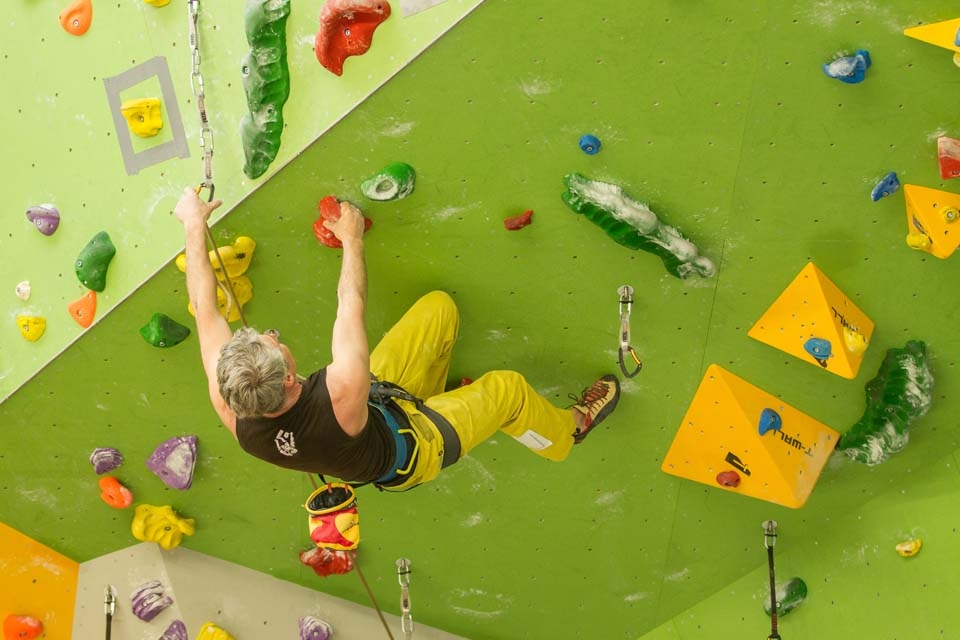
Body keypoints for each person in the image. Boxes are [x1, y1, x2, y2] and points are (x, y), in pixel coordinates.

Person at [174, 187, 621, 491]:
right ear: (290, 380)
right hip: (417, 449)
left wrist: (194, 225)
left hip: (379, 405)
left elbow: (205, 306)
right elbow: (350, 302)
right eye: (274, 342)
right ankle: (567, 433)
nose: (273, 334)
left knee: (439, 309)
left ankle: (436, 397)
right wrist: (352, 239)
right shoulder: (340, 390)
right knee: (508, 391)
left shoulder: (233, 406)